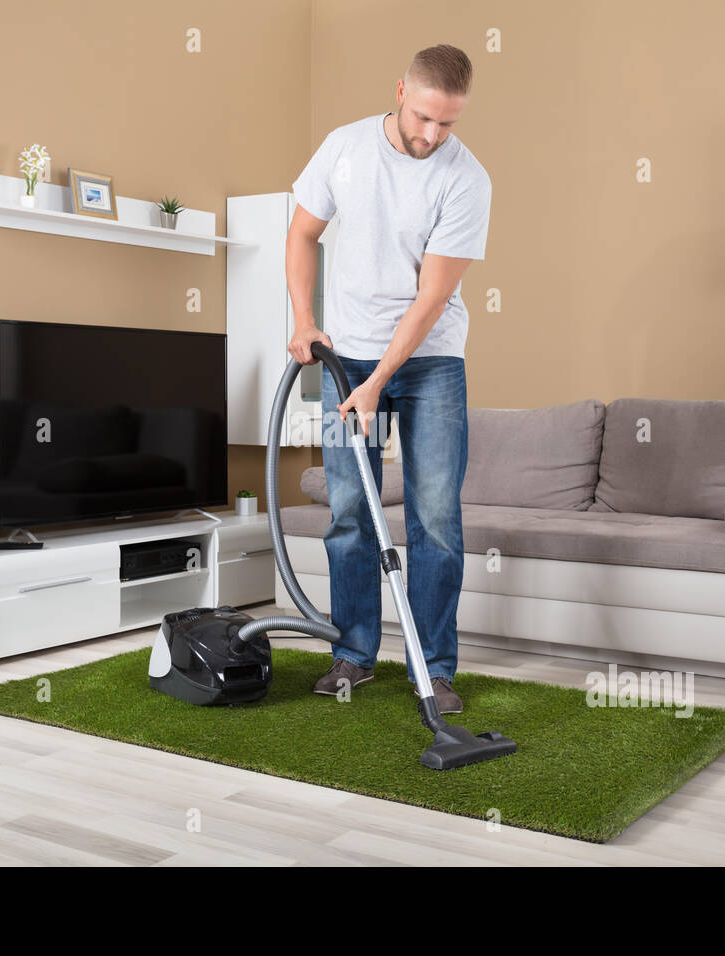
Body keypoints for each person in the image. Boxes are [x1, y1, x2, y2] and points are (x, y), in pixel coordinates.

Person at [284, 44, 492, 714]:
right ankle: (352, 655)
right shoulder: (344, 148)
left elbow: (430, 299)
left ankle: (433, 667)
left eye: (448, 124)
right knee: (349, 510)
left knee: (435, 517)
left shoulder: (467, 180)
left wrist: (376, 386)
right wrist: (303, 320)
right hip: (346, 355)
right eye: (425, 116)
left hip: (431, 361)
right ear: (402, 90)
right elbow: (302, 232)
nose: (432, 135)